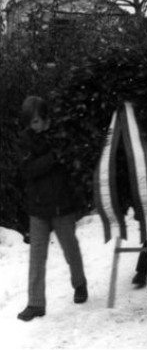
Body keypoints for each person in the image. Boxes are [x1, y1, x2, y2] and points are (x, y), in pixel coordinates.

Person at [17, 96, 87, 322]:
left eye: (36, 121)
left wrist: (53, 159)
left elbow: (70, 167)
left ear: (46, 119)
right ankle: (35, 303)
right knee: (36, 257)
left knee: (70, 249)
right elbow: (27, 170)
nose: (32, 126)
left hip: (61, 205)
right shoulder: (25, 139)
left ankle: (80, 283)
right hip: (37, 208)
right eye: (30, 122)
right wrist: (51, 159)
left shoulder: (61, 136)